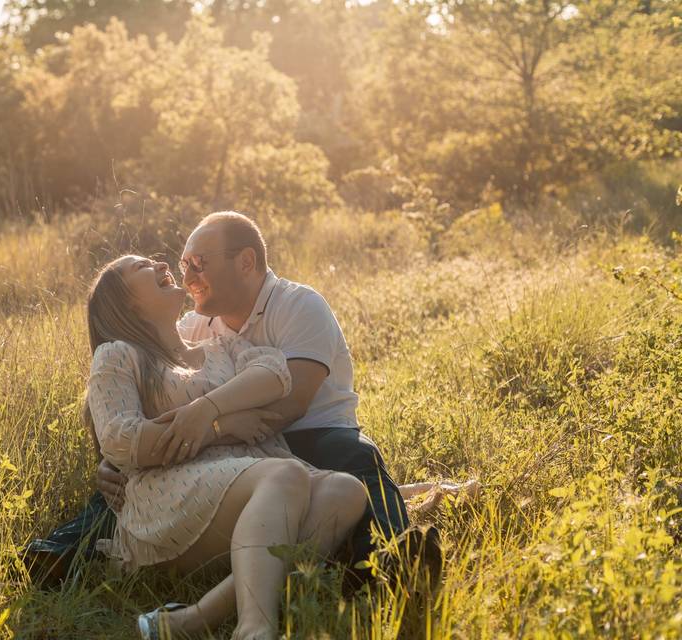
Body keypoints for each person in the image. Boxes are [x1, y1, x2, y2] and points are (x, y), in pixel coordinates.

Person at [24, 212, 475, 591]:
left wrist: (211, 425)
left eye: (198, 262)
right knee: (133, 486)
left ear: (245, 262)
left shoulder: (299, 306)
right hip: (233, 454)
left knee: (356, 463)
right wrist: (118, 460)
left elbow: (291, 402)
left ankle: (390, 565)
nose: (187, 275)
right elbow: (148, 388)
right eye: (184, 264)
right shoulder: (193, 328)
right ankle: (60, 554)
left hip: (310, 434)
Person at [85, 253, 371, 640]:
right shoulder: (119, 354)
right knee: (285, 476)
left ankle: (197, 617)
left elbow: (273, 375)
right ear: (125, 302)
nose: (161, 265)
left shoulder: (221, 347)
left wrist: (206, 412)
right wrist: (223, 426)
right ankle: (254, 627)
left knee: (346, 490)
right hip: (167, 499)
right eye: (141, 267)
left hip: (251, 484)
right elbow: (122, 440)